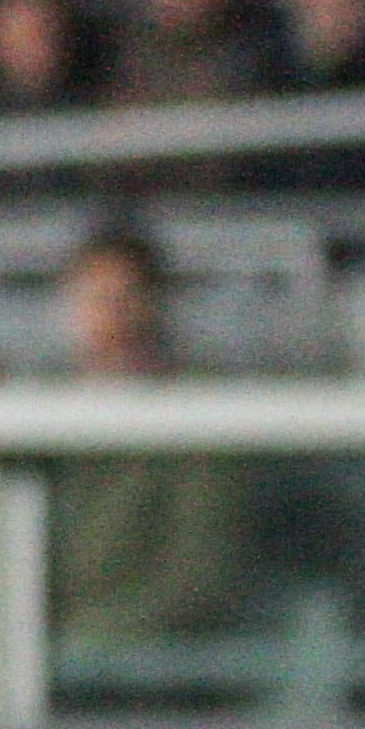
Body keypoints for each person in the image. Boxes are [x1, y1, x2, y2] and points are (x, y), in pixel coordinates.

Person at [50, 226, 252, 673]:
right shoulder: (38, 407)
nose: (109, 316)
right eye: (93, 298)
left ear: (153, 305)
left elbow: (194, 576)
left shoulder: (196, 418)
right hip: (40, 652)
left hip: (149, 672)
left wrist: (83, 644)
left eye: (123, 297)